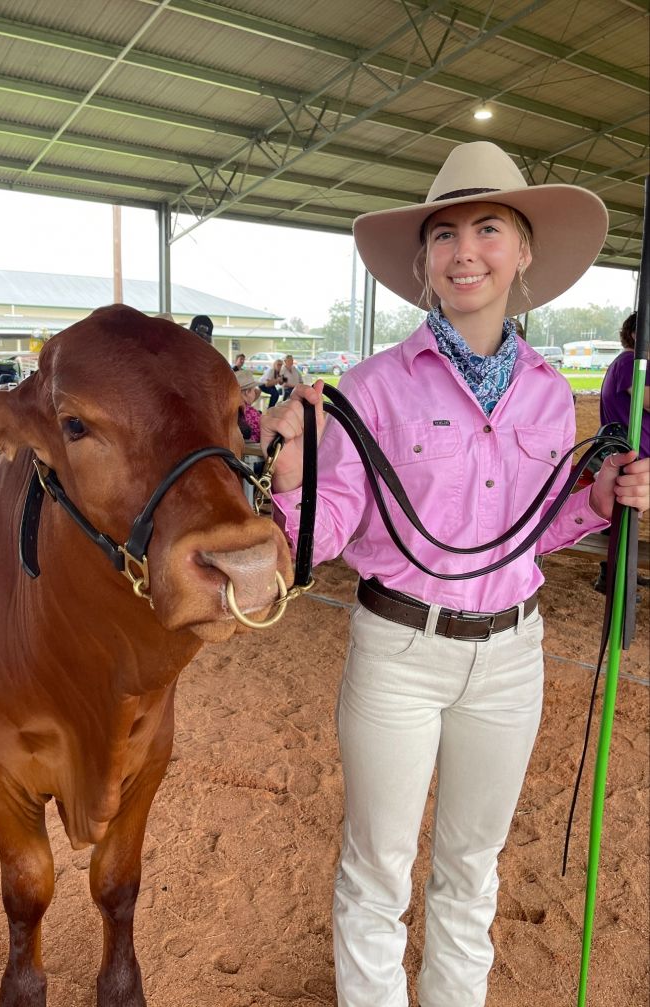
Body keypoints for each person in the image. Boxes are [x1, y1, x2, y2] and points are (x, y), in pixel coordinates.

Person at [261, 141, 649, 1007]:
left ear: (523, 251)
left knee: (473, 868)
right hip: (399, 650)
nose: (464, 251)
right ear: (423, 261)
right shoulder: (366, 388)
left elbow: (532, 527)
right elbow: (323, 533)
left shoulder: (552, 393)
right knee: (378, 870)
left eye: (487, 228)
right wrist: (293, 477)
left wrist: (602, 490)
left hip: (513, 658)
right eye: (444, 235)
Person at [593, 310, 649, 592]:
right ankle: (615, 575)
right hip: (630, 454)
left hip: (632, 453)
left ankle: (621, 570)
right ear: (635, 335)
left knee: (626, 514)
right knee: (622, 514)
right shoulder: (632, 361)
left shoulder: (629, 362)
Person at [235, 368, 262, 442]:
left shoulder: (230, 409)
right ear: (247, 392)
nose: (255, 393)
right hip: (251, 451)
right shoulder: (251, 413)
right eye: (254, 390)